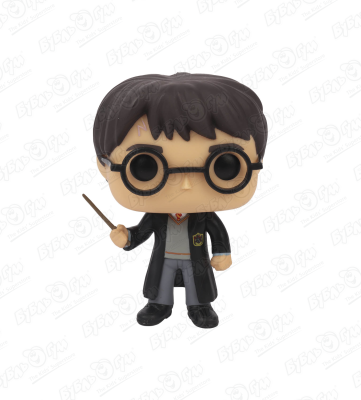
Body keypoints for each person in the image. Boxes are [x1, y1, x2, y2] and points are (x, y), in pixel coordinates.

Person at [93, 73, 267, 328]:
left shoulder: (204, 215)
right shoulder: (156, 215)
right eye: (145, 167)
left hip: (195, 261)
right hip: (164, 259)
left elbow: (217, 232)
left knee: (197, 284)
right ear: (104, 165)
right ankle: (159, 305)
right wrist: (127, 238)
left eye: (224, 166)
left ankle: (199, 306)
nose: (185, 185)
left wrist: (222, 252)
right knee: (161, 283)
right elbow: (142, 232)